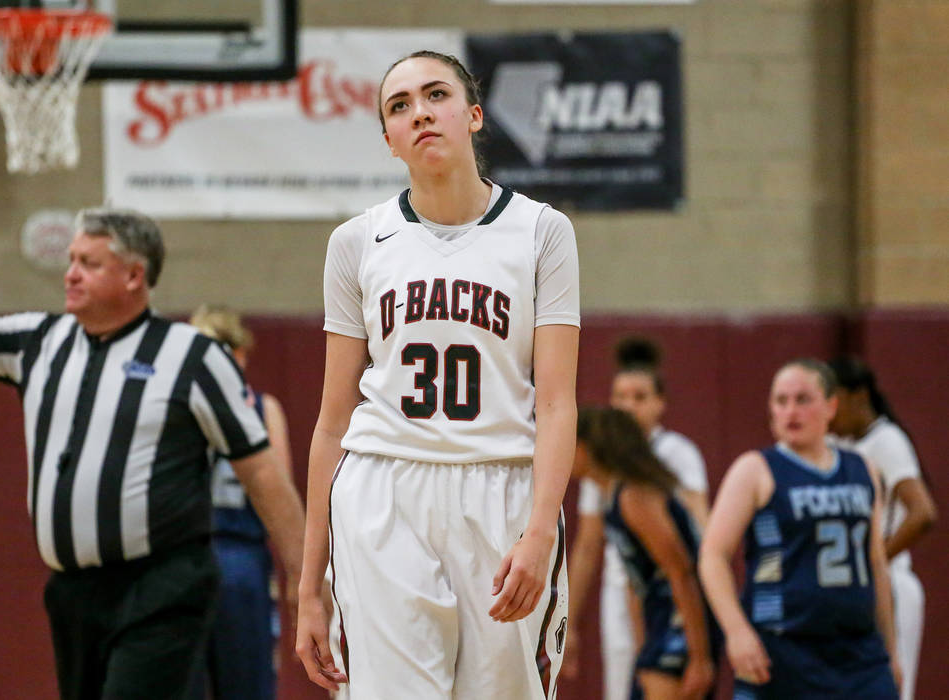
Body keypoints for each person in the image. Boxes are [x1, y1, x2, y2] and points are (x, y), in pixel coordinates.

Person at [0, 168, 306, 700]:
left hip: (162, 586)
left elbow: (261, 471)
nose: (70, 274)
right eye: (71, 260)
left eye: (89, 264)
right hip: (73, 591)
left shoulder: (193, 357)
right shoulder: (40, 339)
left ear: (133, 277)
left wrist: (307, 578)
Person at [294, 50, 580, 700]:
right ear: (390, 140)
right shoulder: (357, 243)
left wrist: (539, 534)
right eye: (399, 106)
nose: (419, 112)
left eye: (435, 95)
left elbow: (558, 406)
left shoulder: (542, 232)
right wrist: (310, 587)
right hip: (383, 492)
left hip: (502, 491)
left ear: (473, 114)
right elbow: (331, 422)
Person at [699, 359, 900, 699]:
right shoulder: (755, 469)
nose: (791, 410)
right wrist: (736, 632)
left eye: (803, 399)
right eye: (781, 401)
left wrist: (891, 650)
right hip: (782, 649)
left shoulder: (862, 468)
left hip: (859, 654)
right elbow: (712, 557)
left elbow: (875, 564)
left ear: (831, 406)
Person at [564, 337, 709, 698]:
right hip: (633, 589)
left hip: (675, 596)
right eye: (621, 397)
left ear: (661, 403)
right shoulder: (606, 479)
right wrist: (568, 621)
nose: (629, 406)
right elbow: (586, 547)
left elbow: (689, 555)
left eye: (640, 397)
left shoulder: (661, 467)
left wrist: (701, 653)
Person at [188, 305, 298, 700]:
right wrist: (299, 572)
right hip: (241, 562)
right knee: (248, 688)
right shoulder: (262, 407)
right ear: (239, 355)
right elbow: (279, 496)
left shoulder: (178, 407)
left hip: (185, 561)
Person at [827, 355, 936, 700]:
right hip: (848, 589)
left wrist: (874, 562)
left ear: (858, 396)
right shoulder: (835, 445)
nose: (828, 411)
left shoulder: (887, 441)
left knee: (892, 690)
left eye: (835, 400)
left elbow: (923, 513)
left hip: (889, 584)